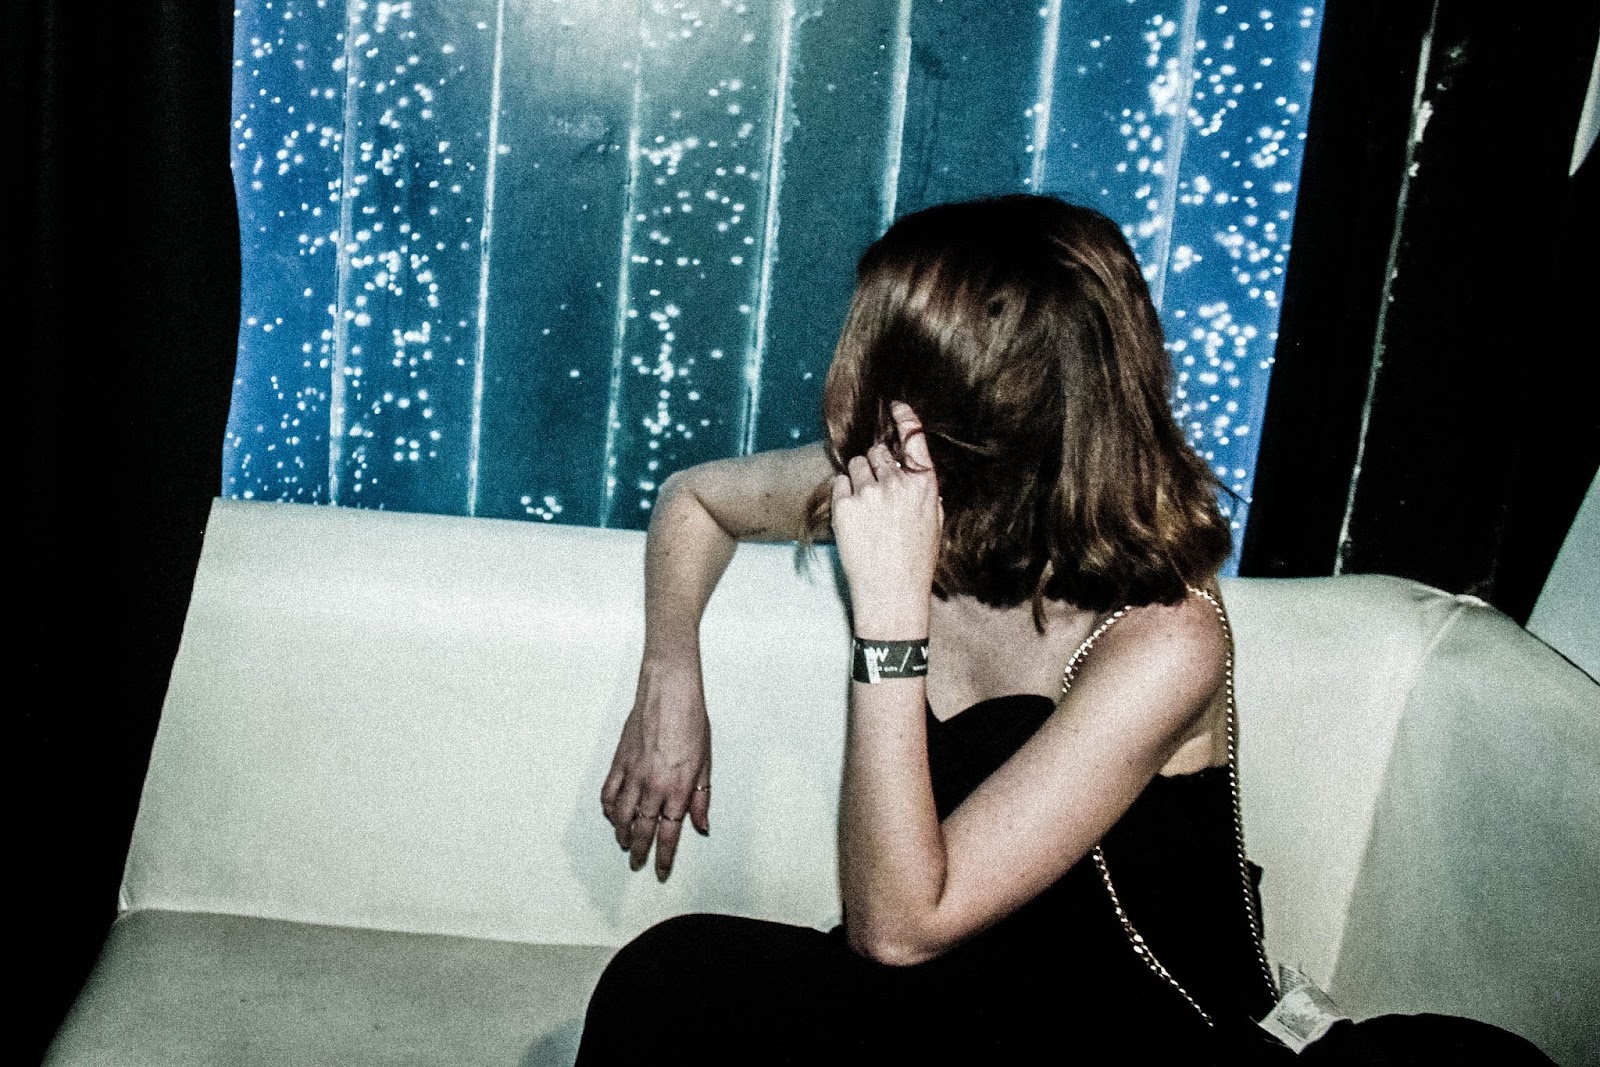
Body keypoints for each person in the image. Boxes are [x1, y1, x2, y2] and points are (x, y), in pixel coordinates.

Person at [572, 195, 1552, 1065]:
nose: (842, 378)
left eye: (870, 350)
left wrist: (889, 614)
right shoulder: (896, 491)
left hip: (1111, 1028)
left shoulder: (1164, 635)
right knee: (664, 980)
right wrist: (670, 676)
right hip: (940, 993)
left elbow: (898, 927)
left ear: (953, 414)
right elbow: (693, 498)